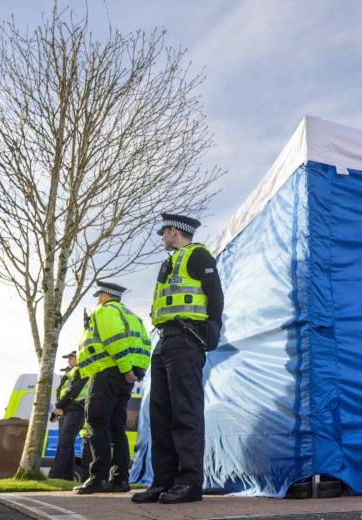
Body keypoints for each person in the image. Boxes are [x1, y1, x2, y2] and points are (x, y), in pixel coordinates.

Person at [132, 213, 224, 505]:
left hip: (186, 338)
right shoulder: (170, 262)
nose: (162, 237)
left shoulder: (198, 256)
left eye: (164, 232)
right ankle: (163, 482)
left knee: (185, 412)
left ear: (175, 231)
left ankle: (188, 483)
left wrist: (213, 327)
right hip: (164, 340)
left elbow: (216, 295)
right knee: (160, 416)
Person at [73, 281, 151, 494]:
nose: (97, 299)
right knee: (117, 427)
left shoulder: (105, 311)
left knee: (96, 422)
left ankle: (98, 478)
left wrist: (126, 368)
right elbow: (145, 346)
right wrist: (135, 372)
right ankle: (120, 480)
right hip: (124, 377)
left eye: (98, 295)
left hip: (108, 371)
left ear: (105, 296)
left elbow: (114, 341)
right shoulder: (133, 316)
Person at [48, 351, 88, 481]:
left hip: (76, 410)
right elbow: (62, 391)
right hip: (67, 410)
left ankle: (55, 476)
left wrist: (59, 405)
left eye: (71, 358)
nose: (68, 361)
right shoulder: (70, 372)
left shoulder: (82, 370)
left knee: (64, 444)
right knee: (67, 445)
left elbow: (73, 391)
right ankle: (67, 477)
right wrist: (56, 411)